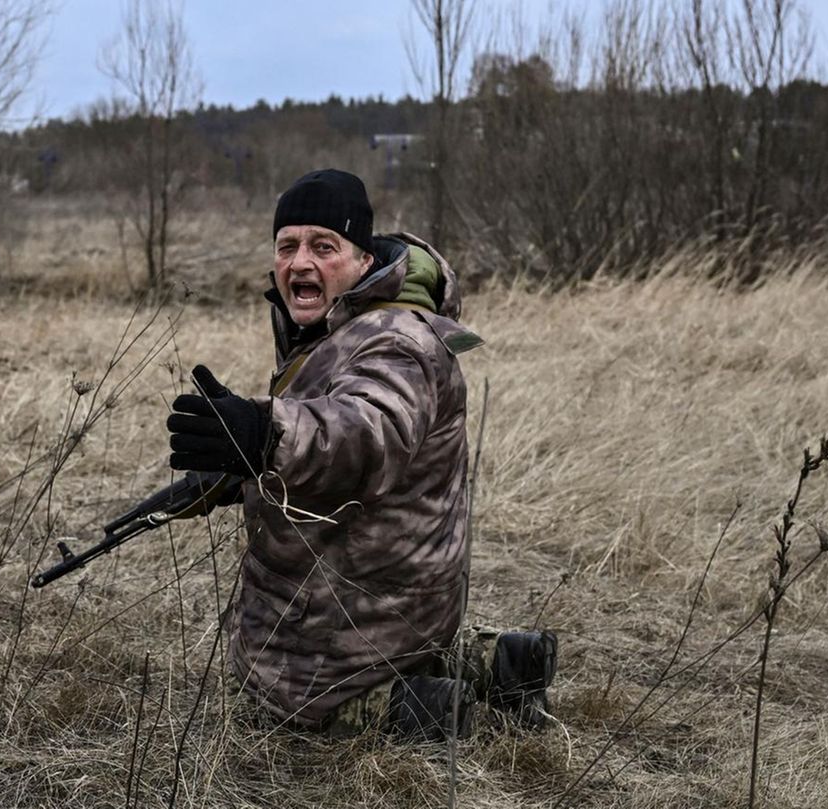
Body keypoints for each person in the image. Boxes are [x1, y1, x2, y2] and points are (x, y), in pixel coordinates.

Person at [161, 169, 555, 738]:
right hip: (379, 588)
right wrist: (240, 471)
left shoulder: (397, 339)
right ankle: (498, 662)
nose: (300, 263)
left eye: (324, 247)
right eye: (287, 247)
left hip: (360, 603)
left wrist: (265, 433)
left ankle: (419, 708)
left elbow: (369, 431)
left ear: (364, 260)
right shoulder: (336, 323)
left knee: (284, 705)